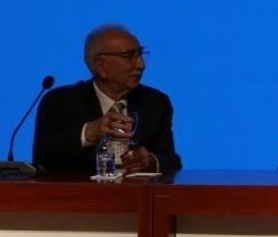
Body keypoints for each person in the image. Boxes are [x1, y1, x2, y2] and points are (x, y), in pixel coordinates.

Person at [32, 24, 182, 174]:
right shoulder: (61, 101)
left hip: (136, 189)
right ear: (100, 66)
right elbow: (43, 157)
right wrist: (89, 132)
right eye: (130, 56)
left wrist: (150, 160)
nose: (141, 65)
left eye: (140, 54)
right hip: (82, 188)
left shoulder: (155, 102)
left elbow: (171, 160)